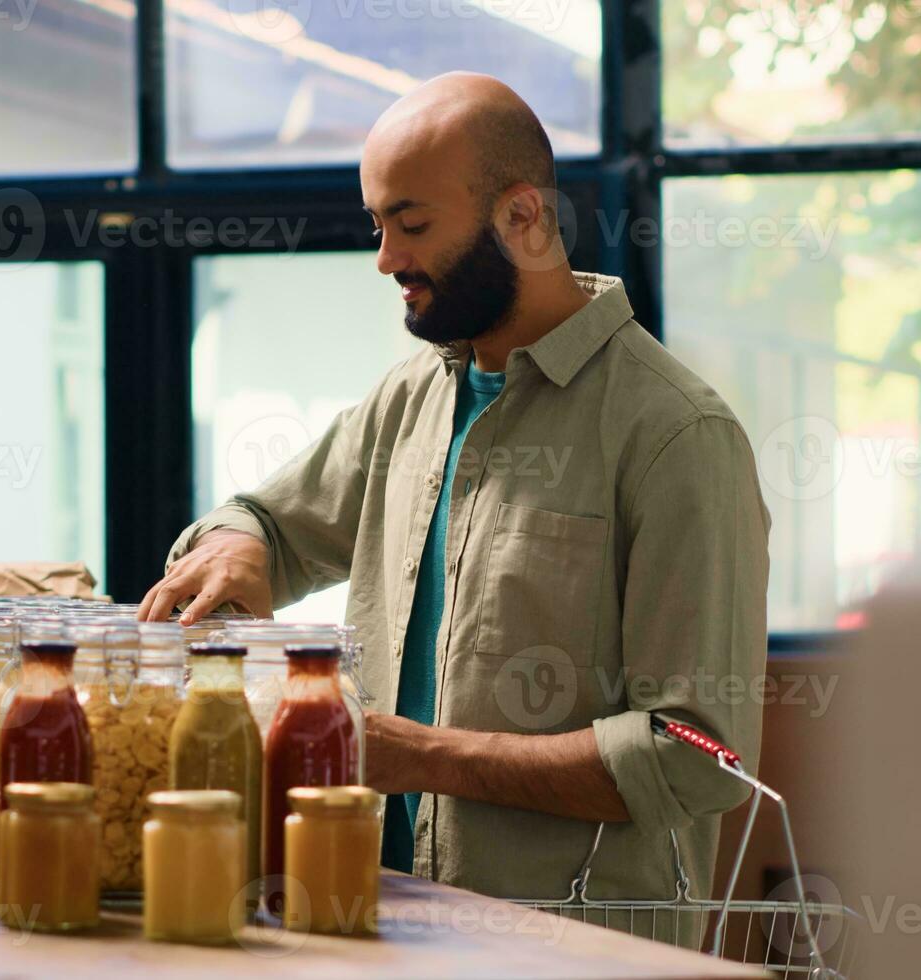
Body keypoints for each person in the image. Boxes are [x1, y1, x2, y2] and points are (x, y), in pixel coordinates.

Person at [139, 72, 770, 940]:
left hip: (577, 954)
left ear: (521, 216)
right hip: (374, 923)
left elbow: (702, 758)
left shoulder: (677, 436)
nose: (386, 259)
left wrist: (417, 756)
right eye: (377, 225)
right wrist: (239, 541)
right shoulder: (407, 403)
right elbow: (269, 522)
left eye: (412, 223)